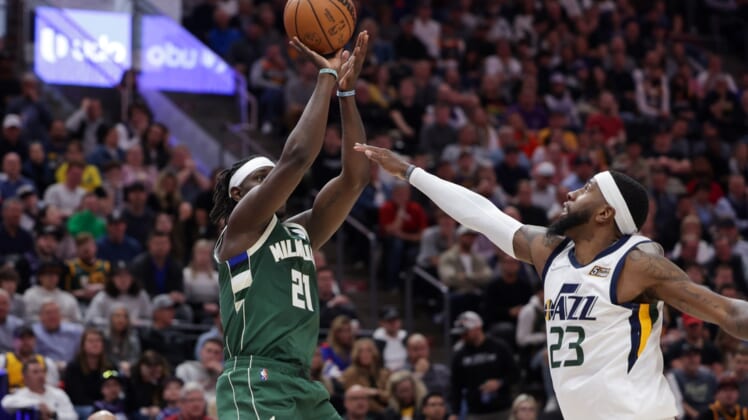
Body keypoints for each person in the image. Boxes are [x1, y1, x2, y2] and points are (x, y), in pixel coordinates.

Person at [355, 144, 748, 419]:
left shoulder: (637, 263)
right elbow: (482, 215)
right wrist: (410, 172)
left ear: (605, 214)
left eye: (587, 189)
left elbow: (727, 312)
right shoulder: (551, 252)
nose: (572, 192)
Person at [210, 32, 371, 420]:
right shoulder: (241, 227)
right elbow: (297, 157)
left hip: (302, 383)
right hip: (256, 378)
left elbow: (355, 180)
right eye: (260, 178)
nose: (271, 182)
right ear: (238, 194)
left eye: (272, 175)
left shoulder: (301, 232)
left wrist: (347, 95)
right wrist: (326, 76)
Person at [1, 359, 77, 420]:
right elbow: (6, 403)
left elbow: (73, 417)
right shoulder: (21, 394)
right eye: (35, 372)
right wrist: (37, 405)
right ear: (25, 376)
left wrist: (53, 414)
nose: (41, 375)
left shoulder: (58, 393)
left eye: (42, 371)